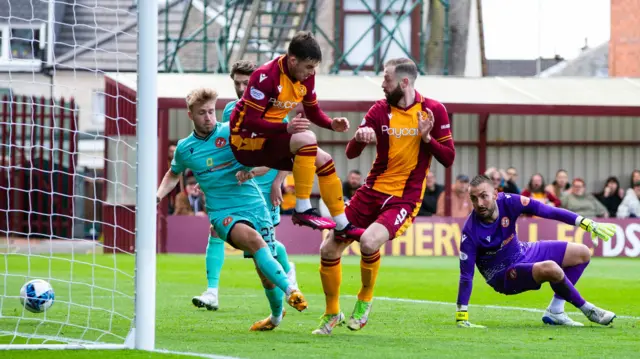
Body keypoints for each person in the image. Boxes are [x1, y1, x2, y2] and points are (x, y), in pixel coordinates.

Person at [311, 58, 455, 335]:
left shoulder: (433, 111)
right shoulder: (379, 110)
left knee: (368, 241)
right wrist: (360, 138)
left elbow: (448, 158)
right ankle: (332, 313)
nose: (382, 83)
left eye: (387, 78)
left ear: (404, 82)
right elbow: (351, 153)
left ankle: (364, 301)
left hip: (405, 198)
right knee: (328, 249)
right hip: (371, 191)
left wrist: (427, 139)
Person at [156, 87, 307, 330]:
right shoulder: (185, 148)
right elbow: (173, 174)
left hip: (255, 204)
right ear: (190, 115)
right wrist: (158, 195)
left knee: (264, 274)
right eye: (202, 113)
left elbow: (268, 154)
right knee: (255, 241)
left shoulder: (232, 133)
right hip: (223, 212)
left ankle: (276, 316)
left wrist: (257, 168)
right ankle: (291, 289)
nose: (208, 117)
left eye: (211, 112)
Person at [228, 31, 363, 240]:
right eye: (308, 67)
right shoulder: (265, 76)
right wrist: (286, 129)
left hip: (270, 142)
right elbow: (250, 121)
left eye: (314, 67)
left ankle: (342, 224)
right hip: (245, 142)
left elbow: (312, 111)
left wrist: (330, 124)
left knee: (325, 160)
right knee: (306, 138)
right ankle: (302, 208)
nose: (311, 72)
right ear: (292, 60)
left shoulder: (306, 77)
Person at [189, 61, 298, 313]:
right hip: (235, 188)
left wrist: (278, 183)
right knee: (216, 230)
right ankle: (212, 291)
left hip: (263, 187)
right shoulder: (229, 111)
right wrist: (212, 182)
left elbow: (288, 151)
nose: (240, 88)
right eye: (236, 83)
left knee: (264, 246)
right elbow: (222, 149)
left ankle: (286, 272)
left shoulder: (275, 110)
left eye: (245, 83)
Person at [455, 175, 617, 328]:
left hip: (522, 252)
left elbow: (548, 211)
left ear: (496, 194)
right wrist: (461, 315)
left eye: (484, 196)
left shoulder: (509, 201)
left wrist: (586, 223)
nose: (480, 203)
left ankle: (556, 311)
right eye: (474, 199)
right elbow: (466, 276)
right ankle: (588, 309)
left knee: (582, 253)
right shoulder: (470, 232)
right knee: (551, 268)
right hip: (503, 275)